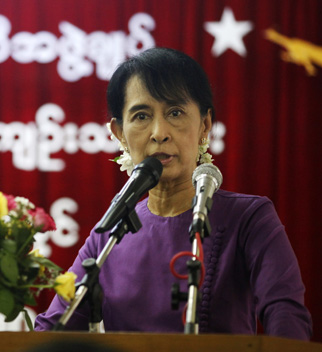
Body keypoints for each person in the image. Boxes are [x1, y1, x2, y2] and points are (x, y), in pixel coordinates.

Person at [34, 47, 312, 340]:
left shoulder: (249, 218)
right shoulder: (108, 235)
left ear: (205, 125)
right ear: (119, 133)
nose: (159, 132)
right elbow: (53, 331)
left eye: (175, 112)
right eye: (141, 116)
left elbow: (287, 316)